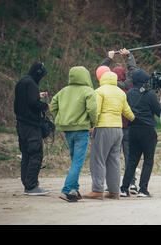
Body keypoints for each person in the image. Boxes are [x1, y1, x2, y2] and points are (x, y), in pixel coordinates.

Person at [120, 69, 161, 197]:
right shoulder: (149, 94)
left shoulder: (128, 94)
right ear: (144, 81)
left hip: (132, 130)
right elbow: (159, 113)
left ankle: (124, 188)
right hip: (147, 130)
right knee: (148, 159)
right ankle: (143, 189)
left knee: (132, 160)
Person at [83, 71, 135, 200]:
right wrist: (134, 118)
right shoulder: (121, 93)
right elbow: (128, 112)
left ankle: (97, 190)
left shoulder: (99, 91)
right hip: (118, 130)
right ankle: (114, 191)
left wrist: (92, 126)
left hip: (103, 128)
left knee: (98, 159)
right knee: (114, 161)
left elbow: (96, 111)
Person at [50, 66, 98, 202]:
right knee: (77, 161)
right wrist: (93, 123)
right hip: (81, 130)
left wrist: (60, 118)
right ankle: (66, 190)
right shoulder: (88, 91)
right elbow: (92, 109)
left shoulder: (63, 91)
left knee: (74, 161)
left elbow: (53, 106)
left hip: (67, 130)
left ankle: (74, 190)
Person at [100, 48, 139, 194]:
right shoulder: (129, 86)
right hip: (128, 127)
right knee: (130, 157)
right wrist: (129, 56)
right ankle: (132, 184)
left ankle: (112, 185)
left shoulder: (105, 88)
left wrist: (108, 59)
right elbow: (133, 72)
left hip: (111, 128)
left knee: (111, 159)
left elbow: (101, 72)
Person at [14, 61, 50, 196]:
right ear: (38, 73)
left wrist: (37, 95)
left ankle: (27, 184)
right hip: (31, 126)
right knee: (36, 154)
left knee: (26, 155)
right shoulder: (32, 84)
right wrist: (45, 106)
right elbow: (34, 104)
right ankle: (32, 186)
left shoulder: (22, 81)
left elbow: (25, 100)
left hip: (21, 124)